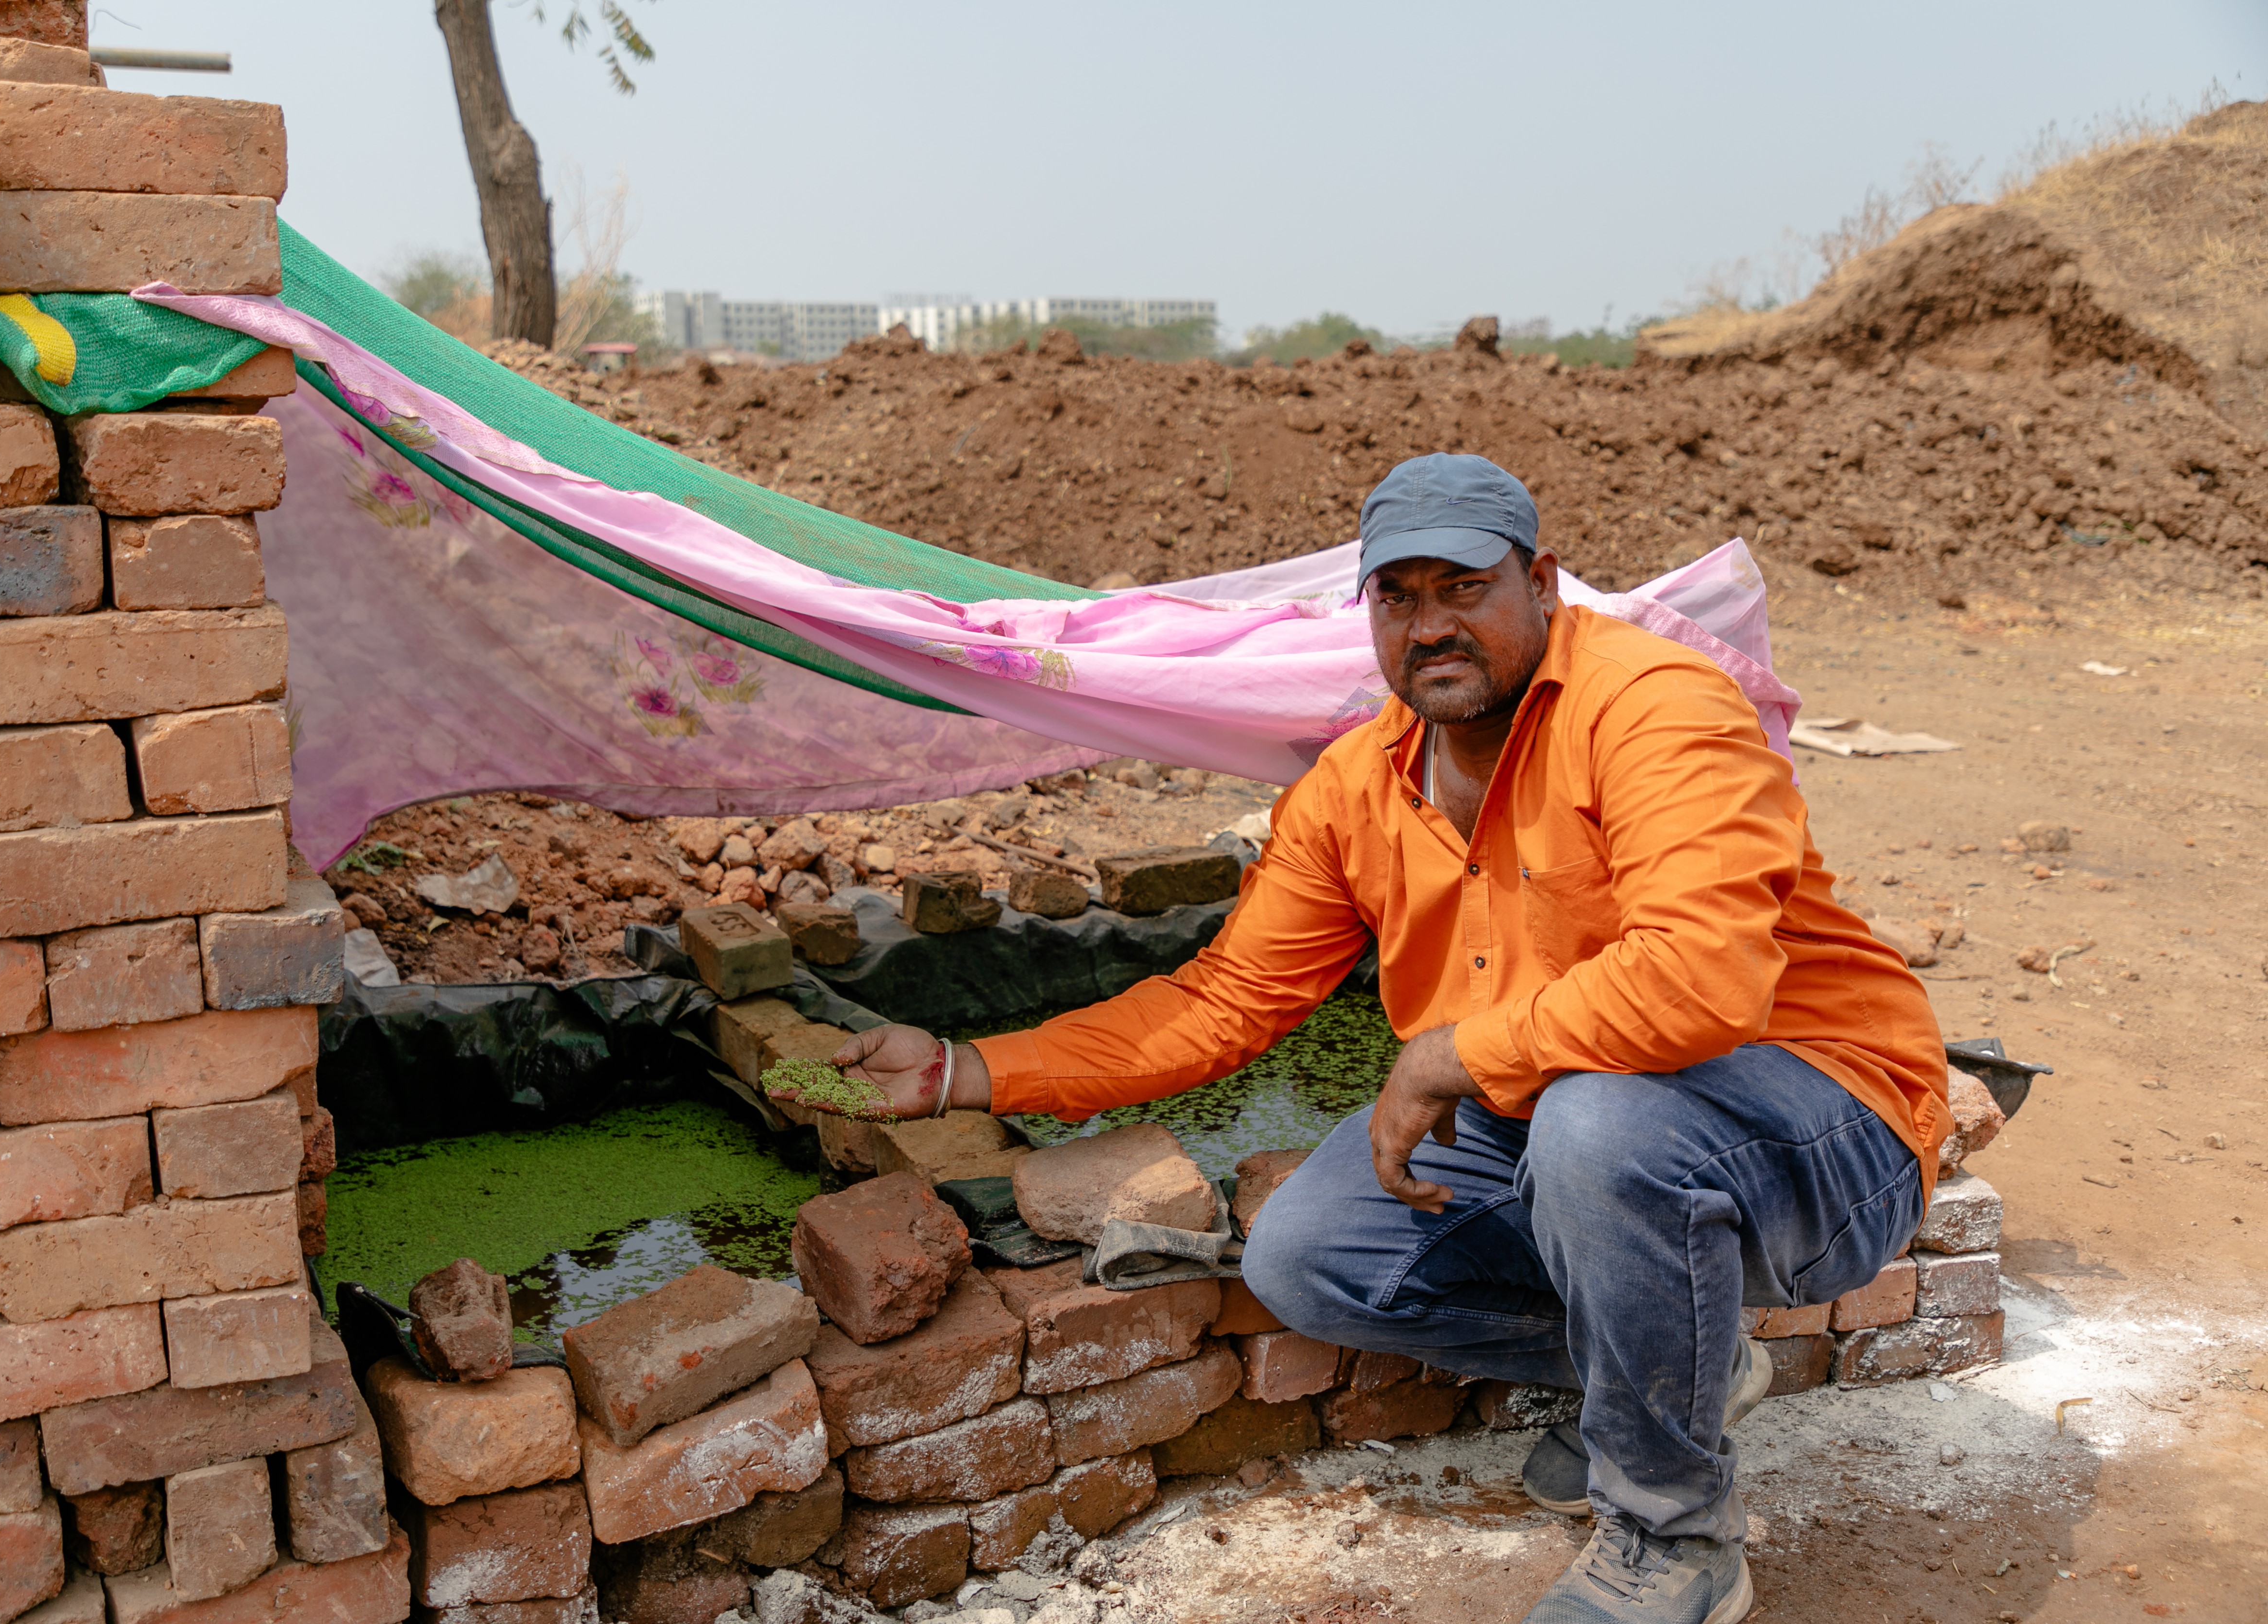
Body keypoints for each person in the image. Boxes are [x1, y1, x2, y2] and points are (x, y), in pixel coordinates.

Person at [811, 452, 1950, 1624]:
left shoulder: (1655, 708)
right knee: (1308, 1253)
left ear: (1542, 584)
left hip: (1821, 1123)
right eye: (1397, 597)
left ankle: (1675, 1537)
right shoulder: (1357, 786)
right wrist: (968, 1069)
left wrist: (1450, 1055)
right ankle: (1676, 1370)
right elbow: (1225, 999)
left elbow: (1699, 978)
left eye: (1463, 587)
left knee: (1598, 1125)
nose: (1431, 624)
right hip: (1581, 1116)